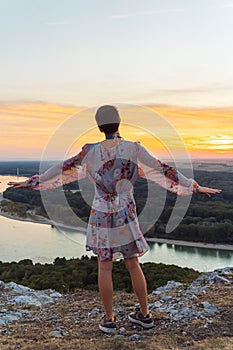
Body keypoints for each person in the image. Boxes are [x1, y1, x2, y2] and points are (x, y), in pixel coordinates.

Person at [8, 105, 222, 334]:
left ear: (99, 127)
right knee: (132, 263)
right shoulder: (134, 149)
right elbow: (164, 169)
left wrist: (33, 182)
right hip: (126, 213)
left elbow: (61, 168)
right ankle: (145, 315)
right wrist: (194, 187)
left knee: (104, 266)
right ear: (119, 123)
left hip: (101, 214)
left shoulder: (89, 151)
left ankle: (109, 320)